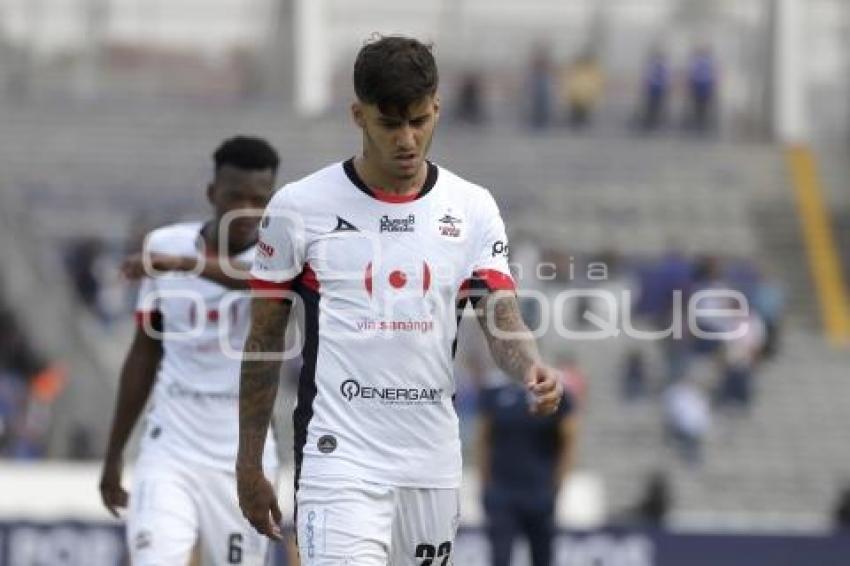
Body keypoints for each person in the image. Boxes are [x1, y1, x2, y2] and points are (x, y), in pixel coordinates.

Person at [236, 35, 565, 566]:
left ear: (436, 108)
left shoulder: (473, 208)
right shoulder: (300, 207)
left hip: (430, 461)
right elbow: (263, 341)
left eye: (419, 120)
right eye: (390, 125)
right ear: (358, 115)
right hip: (337, 457)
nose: (407, 140)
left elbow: (500, 316)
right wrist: (250, 462)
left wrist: (530, 367)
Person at [98, 136, 281, 565]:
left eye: (261, 199)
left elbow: (257, 282)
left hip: (242, 459)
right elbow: (144, 354)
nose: (249, 211)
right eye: (238, 196)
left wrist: (185, 265)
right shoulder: (167, 243)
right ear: (212, 193)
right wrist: (113, 456)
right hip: (170, 447)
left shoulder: (278, 254)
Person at [477, 368, 578, 566]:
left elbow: (568, 440)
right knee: (500, 557)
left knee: (542, 557)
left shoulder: (553, 391)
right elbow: (483, 439)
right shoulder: (494, 392)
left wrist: (557, 485)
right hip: (502, 490)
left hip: (539, 490)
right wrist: (485, 484)